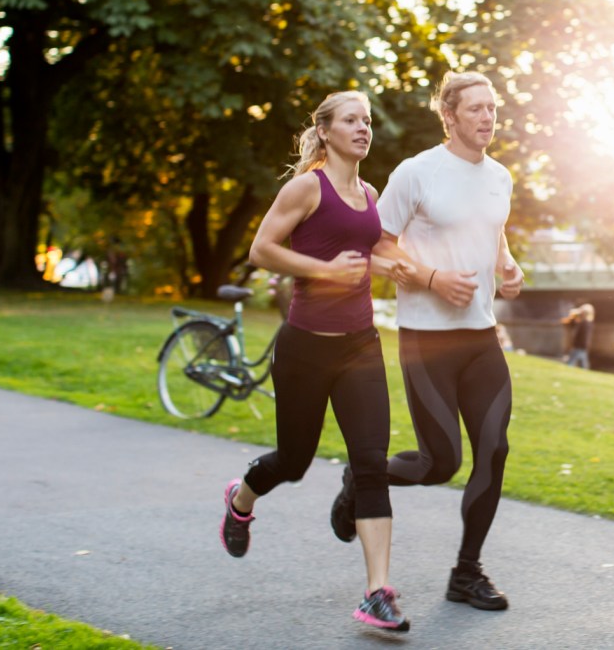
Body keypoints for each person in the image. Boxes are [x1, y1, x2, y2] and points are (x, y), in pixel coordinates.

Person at [331, 70, 523, 612]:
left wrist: (508, 265)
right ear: (449, 115)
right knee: (441, 463)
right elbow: (376, 247)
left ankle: (467, 573)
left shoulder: (500, 177)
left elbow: (493, 231)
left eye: (492, 108)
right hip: (427, 339)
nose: (487, 117)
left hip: (481, 337)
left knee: (495, 449)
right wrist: (434, 279)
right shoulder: (418, 173)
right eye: (476, 109)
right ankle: (361, 480)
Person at [218, 90, 410, 633]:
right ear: (325, 131)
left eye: (367, 121)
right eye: (350, 120)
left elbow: (361, 252)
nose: (362, 128)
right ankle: (240, 498)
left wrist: (387, 266)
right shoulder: (307, 187)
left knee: (371, 463)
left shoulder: (370, 193)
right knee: (294, 461)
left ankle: (377, 593)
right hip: (305, 346)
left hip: (359, 346)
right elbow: (261, 249)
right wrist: (324, 271)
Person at [563, 303, 594, 369]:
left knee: (570, 363)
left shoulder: (585, 323)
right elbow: (571, 324)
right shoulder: (585, 323)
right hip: (582, 347)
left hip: (579, 347)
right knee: (583, 365)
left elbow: (571, 324)